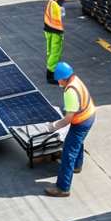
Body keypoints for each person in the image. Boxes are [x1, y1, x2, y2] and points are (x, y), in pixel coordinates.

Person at [44, 62, 96, 198]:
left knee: (68, 153)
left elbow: (68, 119)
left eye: (58, 79)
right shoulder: (75, 79)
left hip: (81, 122)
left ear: (63, 78)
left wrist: (53, 126)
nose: (58, 81)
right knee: (77, 142)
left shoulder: (70, 91)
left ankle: (63, 188)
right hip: (89, 115)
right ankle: (77, 166)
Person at [44, 0, 70, 84]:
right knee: (55, 54)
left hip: (47, 30)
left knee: (50, 53)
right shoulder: (57, 6)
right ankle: (51, 76)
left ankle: (50, 72)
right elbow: (60, 18)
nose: (64, 0)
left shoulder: (51, 1)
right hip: (55, 32)